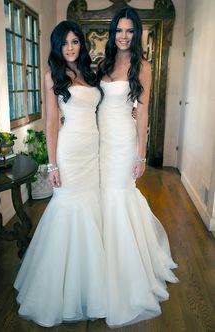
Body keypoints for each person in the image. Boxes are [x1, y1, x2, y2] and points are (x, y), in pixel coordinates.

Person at [14, 20, 106, 327]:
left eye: (75, 41)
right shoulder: (52, 74)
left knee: (92, 210)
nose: (70, 47)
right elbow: (52, 123)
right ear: (57, 46)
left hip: (93, 151)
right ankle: (58, 288)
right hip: (69, 152)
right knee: (67, 209)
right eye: (64, 42)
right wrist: (52, 164)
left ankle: (92, 281)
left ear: (81, 44)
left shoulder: (89, 73)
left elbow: (99, 110)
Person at [97, 7, 178, 328]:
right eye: (120, 30)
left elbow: (142, 114)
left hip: (122, 143)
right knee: (102, 197)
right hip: (98, 141)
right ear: (113, 32)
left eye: (131, 31)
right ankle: (99, 259)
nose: (124, 36)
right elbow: (93, 99)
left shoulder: (142, 67)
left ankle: (124, 270)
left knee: (118, 196)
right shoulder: (103, 64)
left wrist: (140, 155)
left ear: (137, 34)